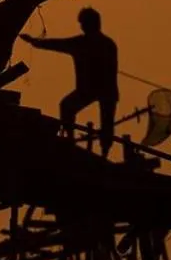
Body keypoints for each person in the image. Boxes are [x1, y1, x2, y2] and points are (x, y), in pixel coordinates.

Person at [21, 8, 120, 157]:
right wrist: (35, 42)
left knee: (103, 120)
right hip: (93, 90)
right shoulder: (93, 43)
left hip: (103, 90)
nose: (82, 27)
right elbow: (57, 44)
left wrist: (35, 42)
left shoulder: (101, 44)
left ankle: (101, 148)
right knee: (67, 106)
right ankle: (70, 139)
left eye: (84, 23)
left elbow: (110, 69)